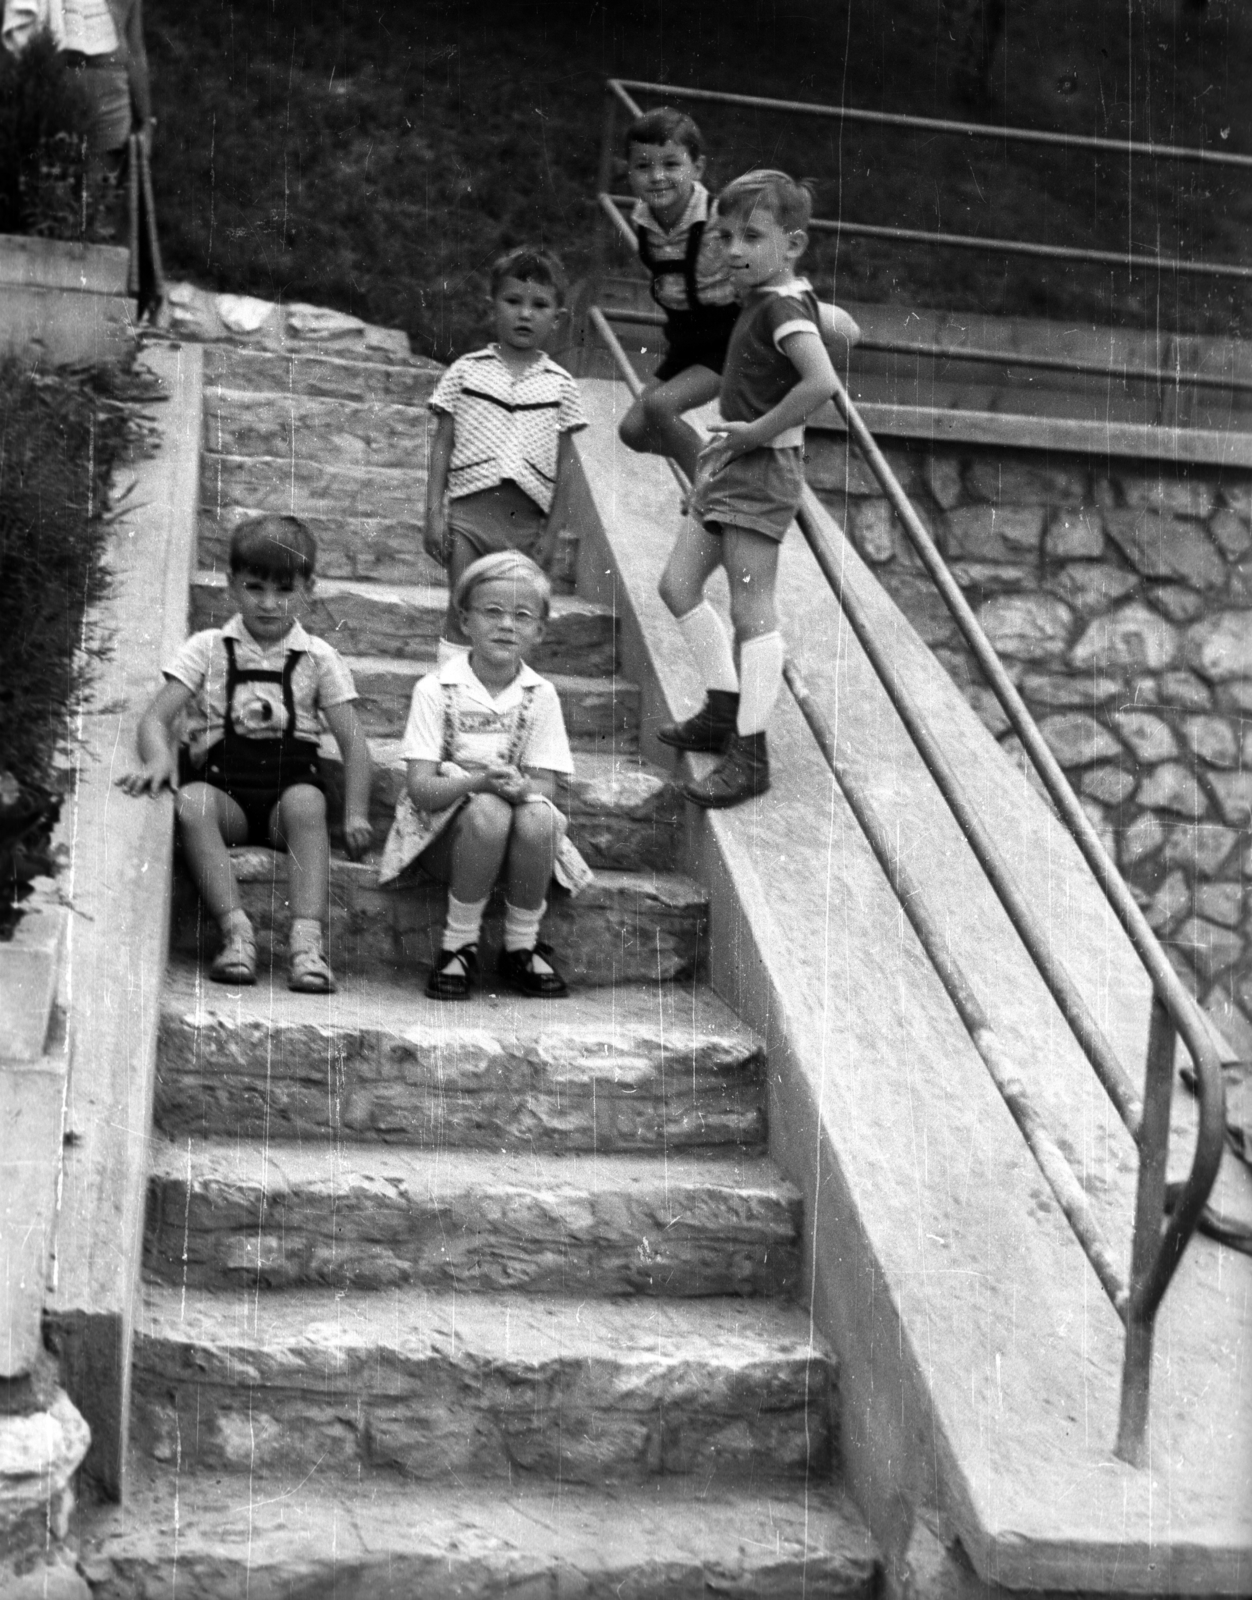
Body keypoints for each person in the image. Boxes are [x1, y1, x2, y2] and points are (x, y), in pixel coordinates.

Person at [657, 168, 856, 809]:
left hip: (762, 467)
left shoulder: (779, 306)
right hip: (731, 464)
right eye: (723, 236)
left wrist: (752, 435)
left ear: (791, 244)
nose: (734, 249)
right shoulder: (770, 297)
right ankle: (723, 705)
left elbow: (820, 382)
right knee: (678, 587)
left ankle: (751, 750)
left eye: (752, 236)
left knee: (751, 610)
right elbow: (841, 328)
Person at [116, 515, 373, 993]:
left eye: (284, 590)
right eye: (254, 588)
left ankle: (307, 943)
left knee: (308, 803)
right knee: (191, 802)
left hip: (285, 804)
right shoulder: (207, 648)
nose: (269, 603)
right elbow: (155, 718)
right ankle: (236, 933)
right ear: (232, 584)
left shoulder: (318, 658)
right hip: (226, 796)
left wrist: (357, 813)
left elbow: (354, 743)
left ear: (309, 588)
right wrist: (159, 760)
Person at [378, 551, 592, 1002]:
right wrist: (477, 785)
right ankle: (458, 947)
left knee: (543, 818)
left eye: (522, 616)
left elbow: (545, 785)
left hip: (513, 842)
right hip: (439, 836)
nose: (506, 625)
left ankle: (520, 945)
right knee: (490, 810)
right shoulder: (436, 690)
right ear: (465, 620)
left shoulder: (540, 695)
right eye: (491, 612)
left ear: (539, 630)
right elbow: (420, 789)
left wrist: (522, 788)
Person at [423, 246, 587, 662]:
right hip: (469, 521)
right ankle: (451, 700)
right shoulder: (466, 371)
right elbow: (442, 443)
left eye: (539, 305)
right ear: (492, 306)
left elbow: (567, 464)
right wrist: (434, 514)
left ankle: (504, 711)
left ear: (558, 317)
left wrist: (552, 534)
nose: (525, 314)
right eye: (513, 301)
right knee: (463, 610)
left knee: (514, 619)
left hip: (525, 528)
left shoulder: (561, 385)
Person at [616, 107, 740, 483]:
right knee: (633, 431)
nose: (657, 177)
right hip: (686, 344)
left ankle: (706, 490)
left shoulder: (722, 217)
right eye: (643, 166)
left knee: (660, 406)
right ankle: (718, 465)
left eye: (671, 164)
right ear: (629, 173)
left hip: (729, 339)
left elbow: (759, 263)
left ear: (697, 168)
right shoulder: (643, 222)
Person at [2, 0, 154, 239]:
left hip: (109, 88)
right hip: (55, 82)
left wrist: (146, 120)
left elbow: (135, 49)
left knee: (98, 206)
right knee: (45, 201)